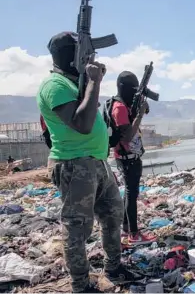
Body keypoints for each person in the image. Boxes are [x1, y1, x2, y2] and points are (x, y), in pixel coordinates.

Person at [36, 32, 140, 293]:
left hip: (96, 162)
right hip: (74, 164)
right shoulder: (55, 85)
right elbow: (81, 124)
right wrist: (94, 81)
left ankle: (113, 268)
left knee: (113, 214)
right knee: (77, 228)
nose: (88, 58)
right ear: (70, 55)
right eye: (83, 53)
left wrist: (90, 81)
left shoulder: (74, 84)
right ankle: (81, 285)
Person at [110, 71, 157, 246]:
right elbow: (127, 136)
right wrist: (140, 114)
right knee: (131, 193)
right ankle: (134, 234)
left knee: (130, 193)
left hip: (129, 155)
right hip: (127, 156)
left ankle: (126, 228)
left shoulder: (124, 105)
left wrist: (140, 108)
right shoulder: (119, 108)